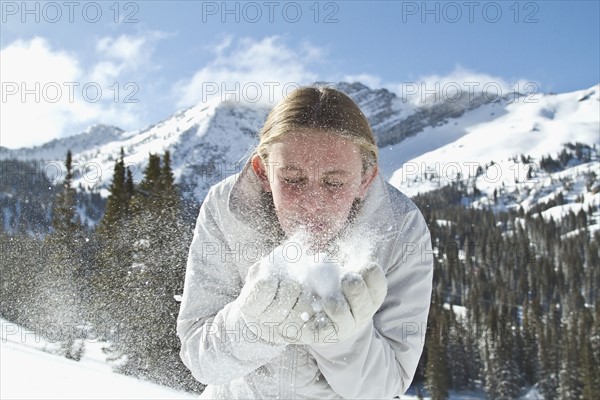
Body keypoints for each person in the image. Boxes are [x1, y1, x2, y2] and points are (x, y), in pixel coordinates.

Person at [177, 86, 434, 399]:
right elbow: (201, 361)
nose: (312, 204)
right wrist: (253, 325)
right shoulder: (225, 207)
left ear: (365, 180)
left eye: (334, 183)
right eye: (292, 179)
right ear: (262, 172)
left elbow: (388, 384)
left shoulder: (401, 228)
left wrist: (343, 338)